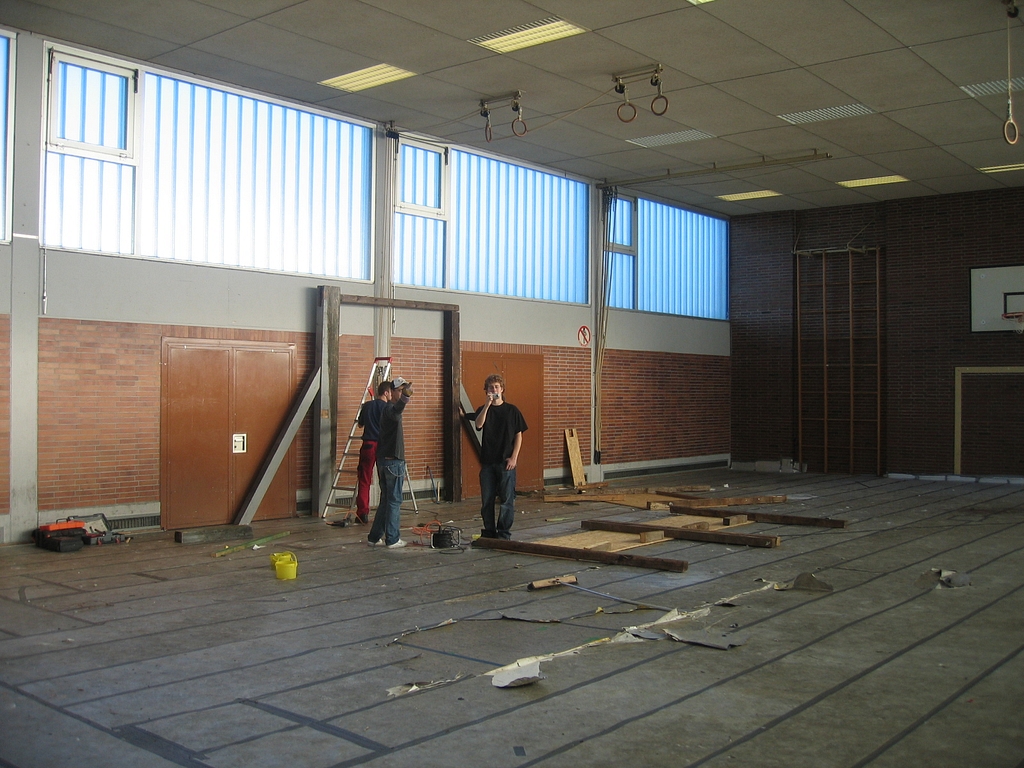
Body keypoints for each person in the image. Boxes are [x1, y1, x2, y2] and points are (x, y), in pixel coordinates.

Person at [472, 374, 527, 540]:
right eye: (490, 387)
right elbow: (478, 424)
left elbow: (519, 435)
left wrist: (514, 457)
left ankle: (503, 533)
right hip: (488, 462)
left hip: (506, 462)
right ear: (486, 390)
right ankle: (489, 531)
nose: (494, 390)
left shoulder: (512, 410)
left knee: (506, 500)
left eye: (496, 387)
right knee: (487, 500)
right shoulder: (483, 409)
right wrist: (487, 405)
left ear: (502, 389)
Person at [368, 377, 413, 549]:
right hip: (393, 462)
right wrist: (405, 398)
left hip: (385, 461)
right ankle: (393, 538)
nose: (402, 393)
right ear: (391, 392)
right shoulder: (390, 410)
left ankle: (374, 537)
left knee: (386, 500)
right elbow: (397, 410)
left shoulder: (387, 410)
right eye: (399, 391)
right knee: (394, 500)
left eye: (404, 390)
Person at [353, 381, 391, 524]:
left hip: (368, 445)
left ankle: (362, 513)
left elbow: (360, 424)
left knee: (364, 479)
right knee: (385, 480)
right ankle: (385, 512)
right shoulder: (388, 408)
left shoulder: (367, 406)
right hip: (382, 446)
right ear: (386, 393)